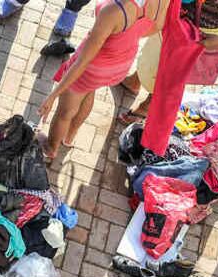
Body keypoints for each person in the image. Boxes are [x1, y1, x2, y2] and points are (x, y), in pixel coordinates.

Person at [39, 0, 165, 159]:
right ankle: (69, 138)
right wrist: (129, 37)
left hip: (93, 67)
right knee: (88, 91)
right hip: (120, 64)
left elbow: (83, 62)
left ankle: (51, 148)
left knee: (65, 112)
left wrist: (53, 95)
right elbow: (158, 25)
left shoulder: (113, 11)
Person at [119, 0, 218, 121]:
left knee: (168, 72)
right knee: (154, 50)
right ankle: (136, 80)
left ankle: (149, 104)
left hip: (200, 35)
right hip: (174, 14)